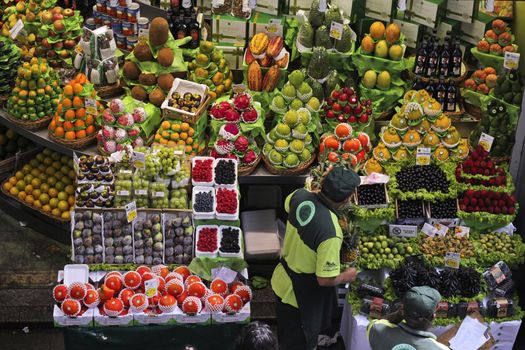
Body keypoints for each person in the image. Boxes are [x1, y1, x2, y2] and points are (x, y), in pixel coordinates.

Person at [271, 166, 361, 350]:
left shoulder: (299, 196)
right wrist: (348, 275)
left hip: (282, 281)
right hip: (299, 297)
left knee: (285, 333)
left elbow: (288, 205)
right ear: (346, 199)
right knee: (299, 342)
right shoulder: (330, 233)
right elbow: (324, 279)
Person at [367, 286, 450, 350]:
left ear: (402, 310)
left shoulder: (377, 331)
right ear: (433, 317)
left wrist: (398, 314)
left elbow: (378, 323)